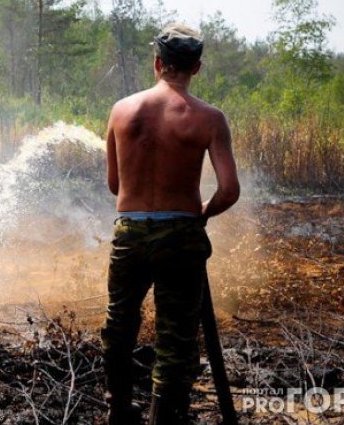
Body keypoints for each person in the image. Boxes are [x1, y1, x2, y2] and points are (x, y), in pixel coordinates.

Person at [101, 23, 240, 425]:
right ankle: (164, 416)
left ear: (158, 63)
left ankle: (119, 410)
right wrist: (202, 213)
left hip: (129, 230)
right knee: (175, 337)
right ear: (195, 68)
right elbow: (229, 190)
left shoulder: (121, 110)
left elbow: (115, 185)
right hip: (181, 234)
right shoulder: (210, 118)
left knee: (119, 324)